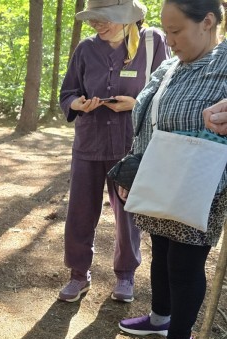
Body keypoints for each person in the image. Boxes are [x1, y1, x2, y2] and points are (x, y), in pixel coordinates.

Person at [118, 0, 227, 339]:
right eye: (167, 30)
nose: (169, 39)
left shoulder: (224, 63)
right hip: (159, 177)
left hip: (198, 183)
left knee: (184, 263)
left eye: (177, 31)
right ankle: (160, 317)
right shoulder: (169, 66)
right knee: (161, 253)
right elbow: (146, 120)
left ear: (207, 22)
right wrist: (132, 173)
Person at [58, 0, 171, 302]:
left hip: (129, 144)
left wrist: (136, 105)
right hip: (89, 142)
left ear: (125, 16)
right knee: (80, 210)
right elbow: (68, 91)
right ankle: (78, 274)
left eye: (104, 18)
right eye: (93, 19)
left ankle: (125, 276)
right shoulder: (85, 49)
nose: (98, 25)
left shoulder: (153, 42)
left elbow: (169, 90)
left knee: (128, 213)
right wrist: (76, 104)